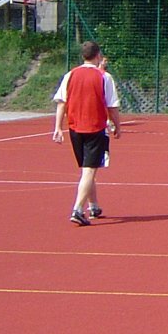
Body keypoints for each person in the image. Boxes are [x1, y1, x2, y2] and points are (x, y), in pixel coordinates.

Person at [53, 41, 121, 226]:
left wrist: (57, 127)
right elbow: (112, 106)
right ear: (98, 55)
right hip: (95, 127)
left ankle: (93, 206)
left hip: (75, 128)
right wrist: (117, 125)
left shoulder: (70, 75)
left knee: (87, 169)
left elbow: (61, 103)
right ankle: (77, 209)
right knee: (90, 170)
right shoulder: (104, 76)